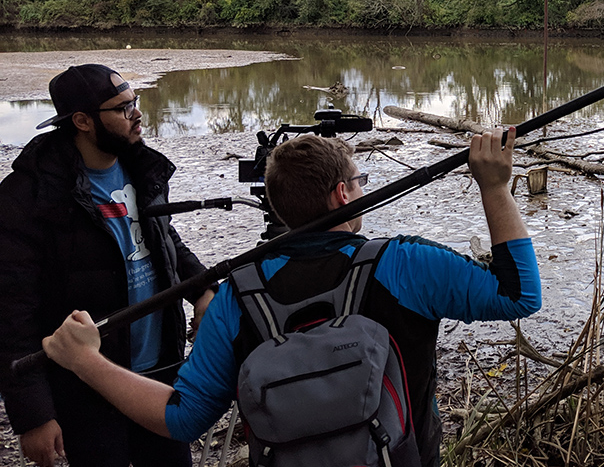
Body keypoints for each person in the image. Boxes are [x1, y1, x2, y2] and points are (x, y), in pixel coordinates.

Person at [43, 127, 541, 466]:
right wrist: (495, 186)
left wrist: (87, 361)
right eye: (358, 182)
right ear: (343, 195)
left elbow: (181, 417)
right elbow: (518, 295)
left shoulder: (239, 294)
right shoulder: (406, 263)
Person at [0, 64, 214, 467]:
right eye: (121, 108)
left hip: (159, 374)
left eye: (135, 102)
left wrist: (203, 289)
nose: (136, 114)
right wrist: (34, 415)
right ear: (81, 121)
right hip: (86, 384)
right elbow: (11, 311)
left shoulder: (140, 167)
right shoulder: (28, 197)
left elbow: (165, 238)